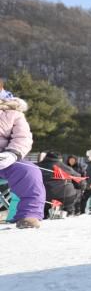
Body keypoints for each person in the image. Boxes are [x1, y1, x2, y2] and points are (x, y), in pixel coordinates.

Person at [0, 93, 45, 228]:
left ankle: (28, 215)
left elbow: (23, 137)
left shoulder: (13, 114)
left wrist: (12, 154)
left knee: (29, 171)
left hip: (5, 160)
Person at [37, 151, 83, 218]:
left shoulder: (36, 166)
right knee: (77, 190)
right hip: (64, 198)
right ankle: (68, 210)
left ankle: (44, 214)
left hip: (43, 198)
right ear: (60, 159)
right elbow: (81, 183)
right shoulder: (66, 167)